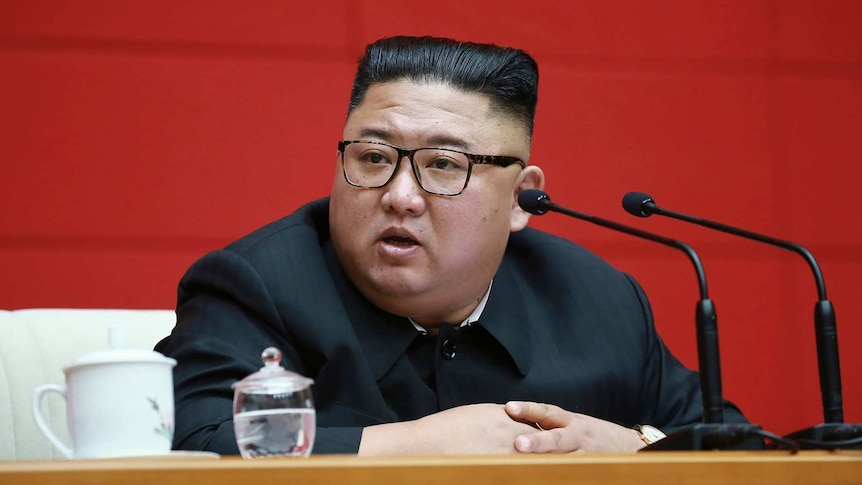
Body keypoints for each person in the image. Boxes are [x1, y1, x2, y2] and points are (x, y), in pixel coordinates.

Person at [155, 35, 752, 455]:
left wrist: (636, 446)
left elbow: (741, 447)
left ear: (522, 199)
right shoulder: (255, 284)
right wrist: (413, 446)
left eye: (444, 165)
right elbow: (190, 445)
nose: (400, 195)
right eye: (373, 157)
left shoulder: (600, 301)